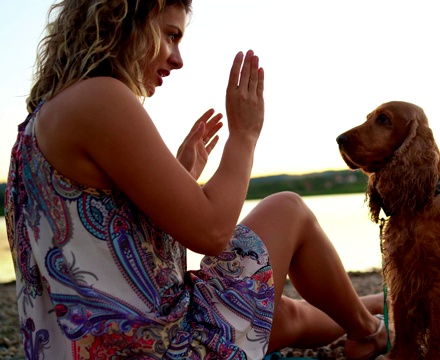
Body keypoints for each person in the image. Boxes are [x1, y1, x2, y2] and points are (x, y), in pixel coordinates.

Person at [4, 0, 389, 359]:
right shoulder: (100, 97)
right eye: (170, 35)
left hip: (86, 346)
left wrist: (183, 174)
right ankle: (370, 332)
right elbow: (211, 233)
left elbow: (111, 241)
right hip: (158, 347)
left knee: (285, 313)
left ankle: (387, 307)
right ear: (123, 19)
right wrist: (244, 135)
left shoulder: (39, 123)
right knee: (287, 209)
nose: (178, 59)